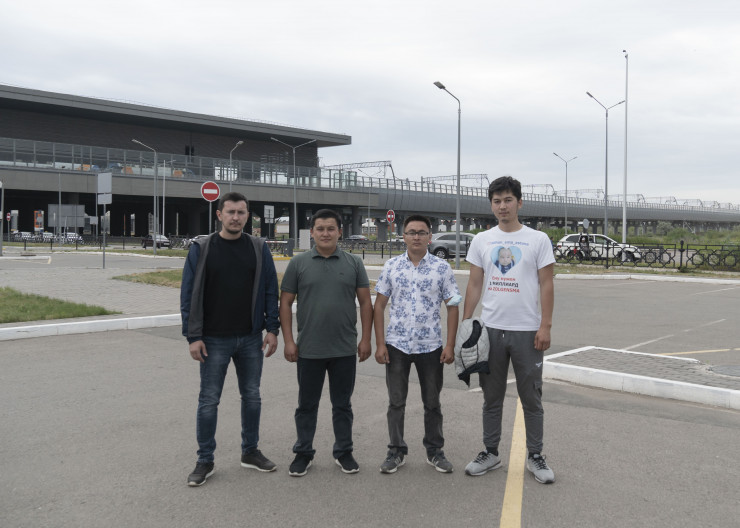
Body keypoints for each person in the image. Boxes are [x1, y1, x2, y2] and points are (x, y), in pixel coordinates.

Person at [181, 191, 280, 487]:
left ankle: (250, 452)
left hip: (250, 337)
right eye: (230, 212)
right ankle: (205, 460)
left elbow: (270, 290)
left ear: (248, 216)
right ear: (219, 215)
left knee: (252, 396)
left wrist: (272, 329)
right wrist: (193, 336)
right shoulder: (202, 248)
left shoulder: (259, 248)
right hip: (213, 340)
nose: (236, 217)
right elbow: (188, 294)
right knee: (209, 400)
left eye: (241, 212)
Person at [462, 176, 556, 484]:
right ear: (491, 205)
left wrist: (545, 326)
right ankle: (490, 452)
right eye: (497, 201)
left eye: (508, 200)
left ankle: (536, 455)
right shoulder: (482, 240)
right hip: (491, 331)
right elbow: (474, 284)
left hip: (527, 331)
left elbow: (546, 284)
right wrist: (467, 325)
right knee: (492, 397)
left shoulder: (537, 240)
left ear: (519, 202)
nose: (502, 206)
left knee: (531, 397)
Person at [280, 209, 373, 477]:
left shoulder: (354, 263)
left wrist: (366, 339)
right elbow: (285, 303)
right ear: (312, 232)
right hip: (309, 349)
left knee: (342, 405)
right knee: (306, 405)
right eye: (320, 229)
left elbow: (366, 302)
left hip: (344, 349)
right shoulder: (298, 263)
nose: (325, 233)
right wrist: (289, 341)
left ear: (339, 232)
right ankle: (303, 452)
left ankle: (344, 451)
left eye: (331, 228)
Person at [374, 214, 460, 474]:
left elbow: (453, 306)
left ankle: (435, 451)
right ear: (403, 236)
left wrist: (450, 345)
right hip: (397, 345)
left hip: (430, 346)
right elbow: (379, 306)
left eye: (422, 232)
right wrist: (380, 344)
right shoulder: (392, 266)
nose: (416, 237)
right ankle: (395, 451)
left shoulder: (441, 268)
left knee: (432, 402)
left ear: (430, 237)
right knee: (396, 402)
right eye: (411, 232)